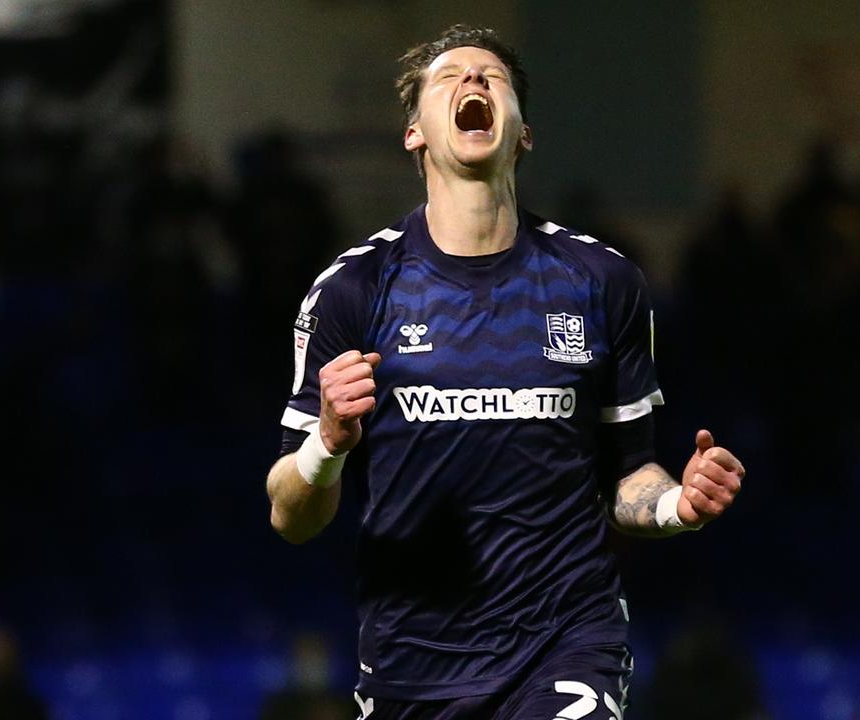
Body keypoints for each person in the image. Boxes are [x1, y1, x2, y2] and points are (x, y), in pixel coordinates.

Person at [266, 25, 745, 719]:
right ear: (414, 135)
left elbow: (630, 476)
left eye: (493, 77)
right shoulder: (353, 291)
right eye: (449, 77)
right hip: (414, 661)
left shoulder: (601, 281)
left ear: (522, 133)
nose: (473, 83)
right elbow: (290, 514)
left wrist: (677, 505)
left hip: (567, 639)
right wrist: (328, 444)